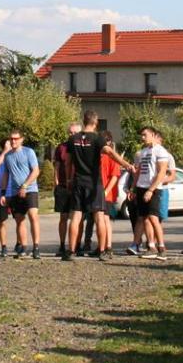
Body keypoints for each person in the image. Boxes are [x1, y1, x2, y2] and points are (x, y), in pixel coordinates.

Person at [63, 111, 132, 262]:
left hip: (78, 181)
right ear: (95, 123)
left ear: (83, 121)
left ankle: (71, 251)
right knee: (99, 216)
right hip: (94, 183)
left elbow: (67, 162)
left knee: (76, 216)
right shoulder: (97, 138)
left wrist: (68, 179)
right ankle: (102, 251)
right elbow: (110, 152)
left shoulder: (72, 139)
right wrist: (126, 164)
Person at [0, 131, 41, 259]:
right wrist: (3, 193)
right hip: (15, 192)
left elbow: (36, 171)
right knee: (19, 219)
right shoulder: (8, 156)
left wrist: (25, 185)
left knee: (33, 215)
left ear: (21, 139)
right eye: (11, 139)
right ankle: (23, 247)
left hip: (30, 189)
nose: (13, 141)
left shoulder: (28, 152)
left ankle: (36, 247)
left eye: (16, 139)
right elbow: (6, 175)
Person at [129, 127, 172, 260]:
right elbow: (138, 172)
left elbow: (162, 172)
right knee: (144, 218)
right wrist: (133, 188)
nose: (142, 137)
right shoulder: (143, 152)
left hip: (153, 188)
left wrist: (151, 190)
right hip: (141, 187)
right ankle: (151, 247)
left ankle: (162, 248)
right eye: (141, 135)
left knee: (153, 218)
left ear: (153, 135)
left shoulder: (160, 151)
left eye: (145, 135)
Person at [53, 123, 80, 256]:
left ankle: (76, 245)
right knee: (63, 217)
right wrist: (56, 182)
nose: (72, 135)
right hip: (63, 186)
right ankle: (62, 245)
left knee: (77, 217)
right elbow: (57, 166)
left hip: (78, 185)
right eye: (70, 132)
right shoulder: (61, 147)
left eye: (75, 133)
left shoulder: (82, 147)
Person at [98, 131, 125, 261]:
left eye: (106, 140)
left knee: (105, 219)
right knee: (99, 219)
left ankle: (108, 247)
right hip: (98, 192)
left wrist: (106, 191)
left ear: (110, 142)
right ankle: (101, 246)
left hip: (107, 194)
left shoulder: (112, 156)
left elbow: (115, 176)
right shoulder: (98, 155)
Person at [0, 139, 13, 258]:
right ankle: (3, 247)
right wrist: (5, 152)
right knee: (2, 221)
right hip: (1, 192)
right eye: (8, 144)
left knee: (19, 219)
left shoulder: (15, 155)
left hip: (15, 191)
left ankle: (20, 244)